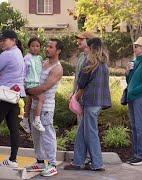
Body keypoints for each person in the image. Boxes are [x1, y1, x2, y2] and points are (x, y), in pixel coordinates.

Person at [64, 38, 111, 171]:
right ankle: (78, 162)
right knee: (82, 132)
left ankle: (97, 163)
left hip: (90, 102)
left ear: (91, 48)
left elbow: (81, 82)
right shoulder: (103, 63)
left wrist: (75, 96)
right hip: (99, 102)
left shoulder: (89, 61)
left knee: (91, 133)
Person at [25, 39, 64, 177]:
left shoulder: (57, 68)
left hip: (46, 107)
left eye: (50, 47)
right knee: (36, 136)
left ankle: (52, 164)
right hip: (35, 106)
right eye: (47, 46)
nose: (47, 49)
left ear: (58, 51)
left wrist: (27, 91)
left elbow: (45, 87)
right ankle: (40, 162)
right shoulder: (43, 63)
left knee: (47, 135)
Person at [0, 30, 26, 168]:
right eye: (0, 40)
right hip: (16, 96)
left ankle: (12, 160)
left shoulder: (7, 54)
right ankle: (13, 160)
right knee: (14, 128)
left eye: (4, 40)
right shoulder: (18, 53)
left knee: (13, 128)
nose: (1, 42)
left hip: (5, 95)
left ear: (13, 40)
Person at [125, 37, 142, 165]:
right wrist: (127, 72)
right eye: (135, 46)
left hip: (140, 97)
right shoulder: (135, 62)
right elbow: (129, 81)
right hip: (132, 97)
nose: (134, 48)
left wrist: (133, 91)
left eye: (137, 46)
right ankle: (136, 154)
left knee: (140, 126)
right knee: (134, 126)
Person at [20, 37, 45, 133]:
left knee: (29, 102)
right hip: (30, 84)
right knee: (42, 98)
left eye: (37, 46)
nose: (35, 48)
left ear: (40, 48)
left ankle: (25, 120)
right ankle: (37, 120)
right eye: (33, 46)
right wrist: (22, 86)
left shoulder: (39, 58)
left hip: (37, 83)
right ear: (29, 47)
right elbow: (23, 71)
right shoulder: (26, 58)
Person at [72, 32, 96, 124]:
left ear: (89, 41)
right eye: (78, 39)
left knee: (88, 128)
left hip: (89, 99)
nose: (78, 41)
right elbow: (77, 77)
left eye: (82, 39)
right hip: (78, 97)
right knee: (81, 126)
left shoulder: (94, 58)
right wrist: (74, 92)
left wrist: (77, 94)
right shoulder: (81, 56)